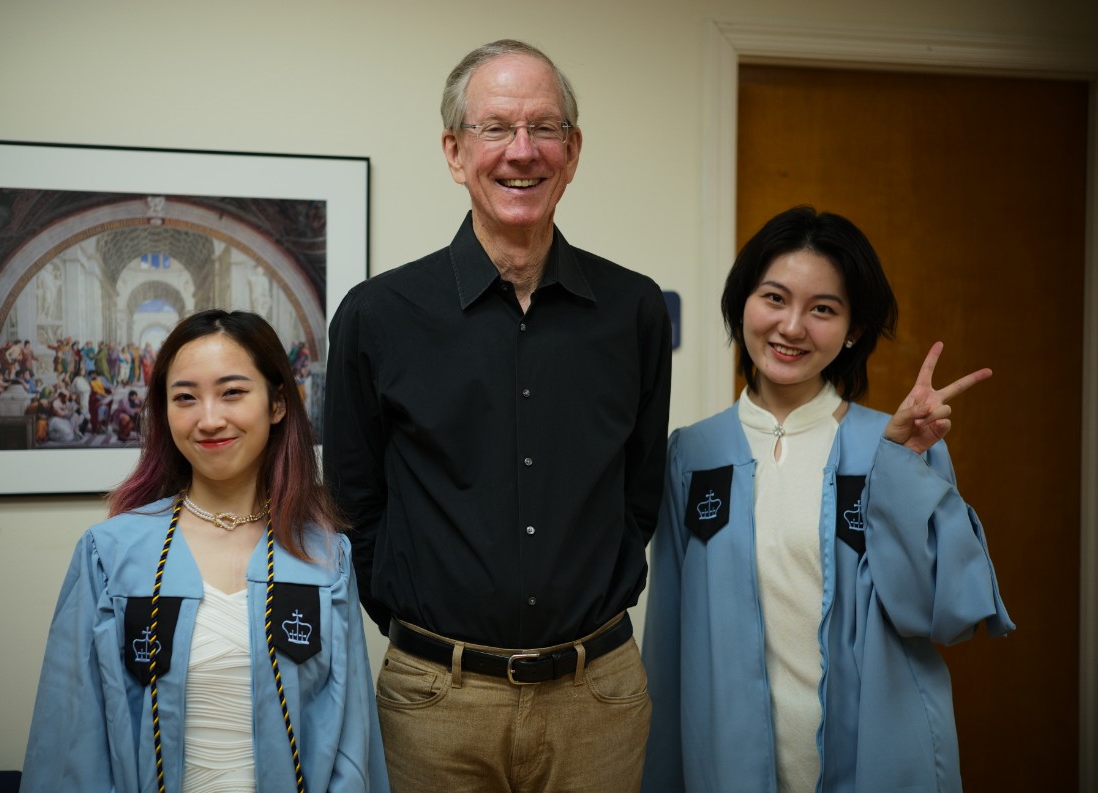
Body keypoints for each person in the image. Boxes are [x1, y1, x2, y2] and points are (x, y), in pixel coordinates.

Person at [323, 39, 672, 792]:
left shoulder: (632, 309)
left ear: (573, 152)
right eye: (495, 128)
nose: (523, 152)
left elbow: (639, 490)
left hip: (597, 698)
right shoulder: (378, 315)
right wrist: (415, 625)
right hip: (436, 704)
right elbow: (355, 502)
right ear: (454, 151)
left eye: (545, 128)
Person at [640, 206, 1014, 793]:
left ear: (853, 330)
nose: (792, 327)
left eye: (823, 309)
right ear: (743, 303)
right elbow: (669, 646)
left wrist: (901, 473)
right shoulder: (693, 454)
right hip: (728, 764)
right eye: (774, 298)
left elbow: (942, 616)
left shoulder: (894, 446)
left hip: (877, 761)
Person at [22, 310, 389, 793]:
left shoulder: (324, 557)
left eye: (232, 392)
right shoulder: (111, 555)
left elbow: (352, 744)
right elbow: (72, 742)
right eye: (185, 398)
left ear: (278, 403)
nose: (209, 419)